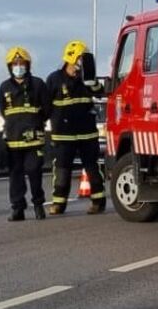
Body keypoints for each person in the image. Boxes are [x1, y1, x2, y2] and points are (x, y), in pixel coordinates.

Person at [45, 40, 106, 215]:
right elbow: (46, 106)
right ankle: (59, 203)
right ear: (71, 58)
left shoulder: (87, 79)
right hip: (63, 136)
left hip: (87, 134)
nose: (82, 63)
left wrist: (91, 80)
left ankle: (98, 201)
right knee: (62, 170)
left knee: (92, 168)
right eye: (80, 58)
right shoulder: (54, 79)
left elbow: (100, 91)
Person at [0, 46, 49, 221]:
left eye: (21, 63)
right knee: (15, 177)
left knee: (34, 171)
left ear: (27, 65)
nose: (18, 66)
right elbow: (4, 111)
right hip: (13, 141)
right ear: (10, 66)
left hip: (34, 139)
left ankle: (38, 205)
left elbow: (47, 109)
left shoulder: (37, 84)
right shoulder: (4, 87)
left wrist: (35, 122)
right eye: (14, 63)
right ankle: (17, 209)